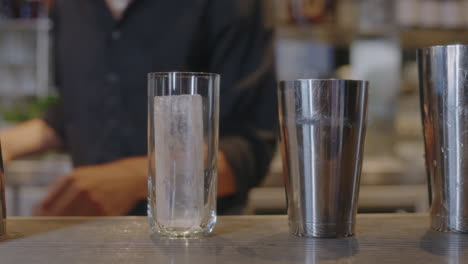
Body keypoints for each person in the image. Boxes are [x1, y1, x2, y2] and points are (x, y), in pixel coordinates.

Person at [0, 0, 277, 216]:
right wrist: (7, 144)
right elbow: (81, 107)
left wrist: (132, 179)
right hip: (91, 238)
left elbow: (251, 147)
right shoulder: (69, 6)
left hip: (194, 238)